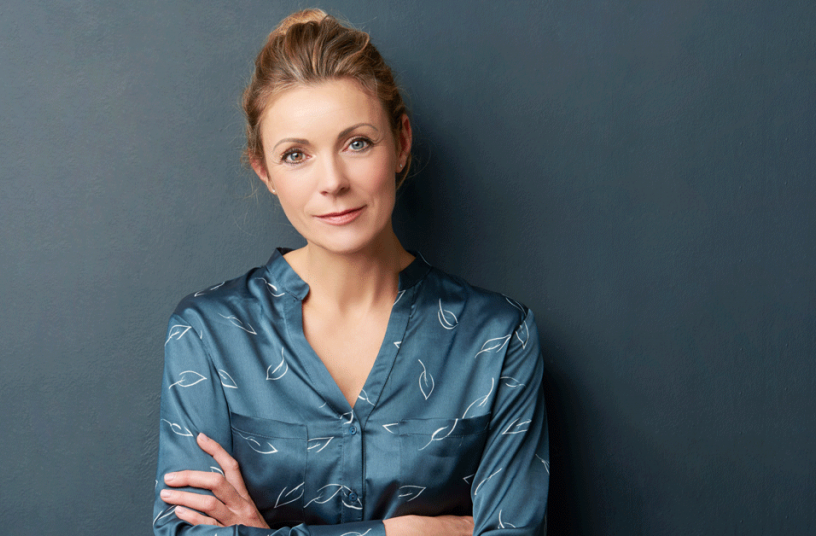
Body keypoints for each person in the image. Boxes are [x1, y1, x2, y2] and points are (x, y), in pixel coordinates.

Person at [153, 9, 548, 536]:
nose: (332, 181)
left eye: (356, 142)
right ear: (264, 171)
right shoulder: (207, 333)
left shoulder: (499, 338)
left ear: (401, 142)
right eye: (296, 155)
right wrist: (409, 533)